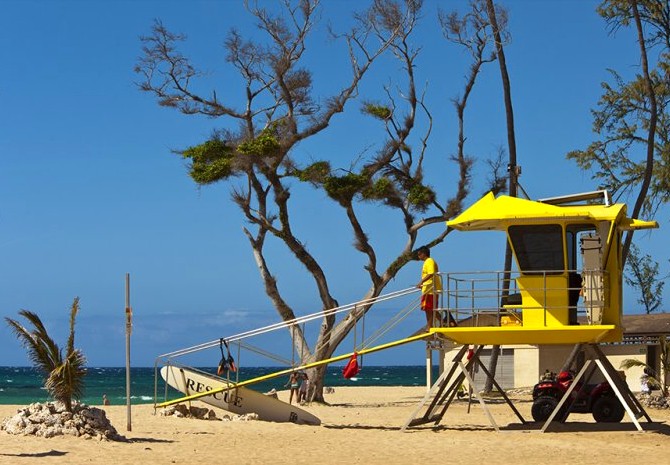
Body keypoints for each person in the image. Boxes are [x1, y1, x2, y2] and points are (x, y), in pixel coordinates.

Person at [416, 246, 443, 330]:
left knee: (429, 309)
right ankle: (444, 322)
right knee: (432, 309)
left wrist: (421, 282)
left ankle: (429, 326)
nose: (418, 256)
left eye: (419, 254)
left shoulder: (429, 261)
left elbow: (431, 273)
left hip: (431, 290)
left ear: (424, 254)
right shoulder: (427, 262)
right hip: (429, 288)